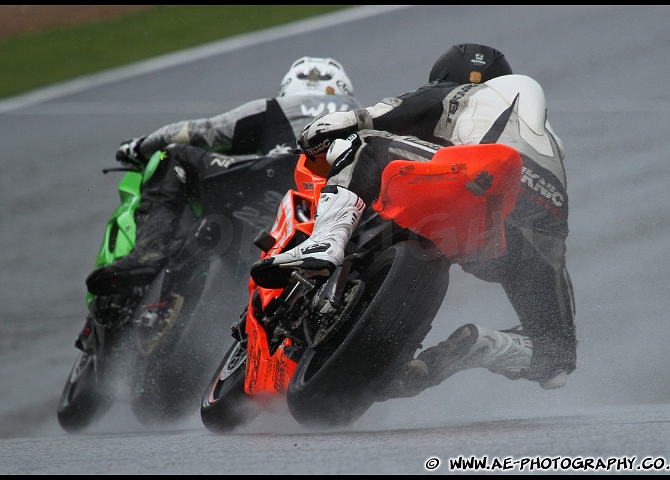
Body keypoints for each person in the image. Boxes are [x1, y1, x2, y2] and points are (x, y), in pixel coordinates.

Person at [250, 43, 577, 395]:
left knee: (368, 145)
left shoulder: (462, 91)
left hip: (482, 172)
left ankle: (325, 243)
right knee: (556, 357)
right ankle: (480, 347)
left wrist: (324, 130)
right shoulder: (549, 137)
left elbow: (382, 115)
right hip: (538, 226)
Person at [85, 56, 360, 296]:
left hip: (267, 175)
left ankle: (149, 250)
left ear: (289, 87)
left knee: (173, 155)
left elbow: (201, 131)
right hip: (331, 198)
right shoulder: (360, 116)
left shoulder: (277, 107)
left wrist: (138, 147)